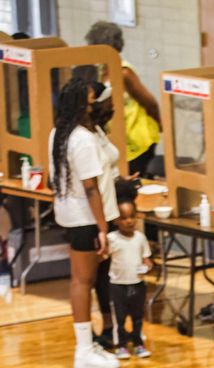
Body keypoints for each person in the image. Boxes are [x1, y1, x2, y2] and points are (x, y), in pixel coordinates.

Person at [49, 78, 120, 368]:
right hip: (87, 218)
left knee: (86, 279)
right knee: (82, 280)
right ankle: (83, 350)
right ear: (80, 103)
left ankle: (89, 345)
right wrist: (102, 227)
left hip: (74, 214)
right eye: (90, 101)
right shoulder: (83, 139)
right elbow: (90, 187)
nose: (94, 106)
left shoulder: (60, 133)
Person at [85, 21, 161, 177]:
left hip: (137, 136)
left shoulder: (124, 72)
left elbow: (150, 103)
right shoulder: (99, 70)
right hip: (117, 136)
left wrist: (160, 124)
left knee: (133, 177)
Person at [105, 201, 152, 360]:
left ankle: (138, 343)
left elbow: (146, 259)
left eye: (132, 216)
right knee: (119, 318)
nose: (129, 221)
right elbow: (103, 256)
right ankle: (121, 345)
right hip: (118, 285)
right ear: (116, 221)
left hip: (138, 284)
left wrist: (147, 266)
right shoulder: (111, 239)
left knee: (138, 316)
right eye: (124, 218)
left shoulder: (140, 238)